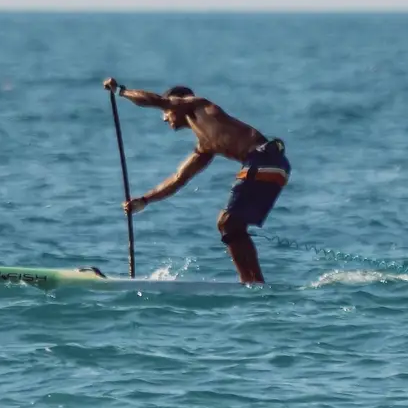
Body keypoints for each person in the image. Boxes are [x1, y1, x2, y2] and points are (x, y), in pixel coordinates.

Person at [103, 78, 290, 284]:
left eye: (166, 112)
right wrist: (144, 200)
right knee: (231, 226)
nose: (165, 119)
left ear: (177, 103)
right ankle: (254, 283)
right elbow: (178, 178)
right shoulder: (205, 146)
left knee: (227, 222)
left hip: (264, 158)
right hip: (275, 167)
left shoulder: (197, 105)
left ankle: (251, 283)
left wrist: (121, 91)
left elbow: (156, 100)